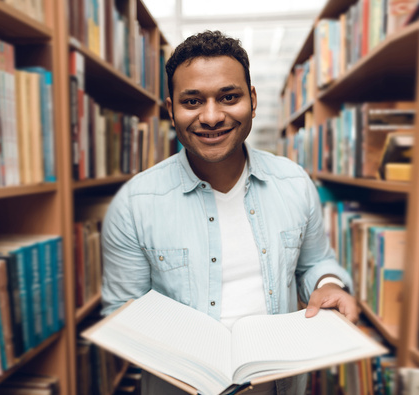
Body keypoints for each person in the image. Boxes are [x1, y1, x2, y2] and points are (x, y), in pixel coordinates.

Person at [101, 30, 359, 395]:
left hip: (280, 386)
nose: (211, 116)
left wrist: (328, 285)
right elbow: (122, 311)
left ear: (252, 100)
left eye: (229, 97)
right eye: (192, 101)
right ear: (171, 107)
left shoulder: (294, 183)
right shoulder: (136, 201)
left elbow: (315, 263)